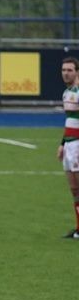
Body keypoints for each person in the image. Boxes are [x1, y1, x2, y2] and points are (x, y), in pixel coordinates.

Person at [57, 56, 79, 240]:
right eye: (64, 70)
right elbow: (70, 121)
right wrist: (62, 143)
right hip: (70, 145)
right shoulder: (66, 93)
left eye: (70, 70)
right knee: (74, 190)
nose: (66, 73)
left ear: (77, 72)